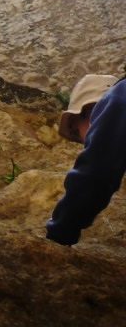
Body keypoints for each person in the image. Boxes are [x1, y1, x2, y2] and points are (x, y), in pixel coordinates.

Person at [46, 73, 126, 245]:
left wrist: (60, 233)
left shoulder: (120, 97)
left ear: (92, 112)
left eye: (75, 132)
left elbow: (96, 175)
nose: (82, 142)